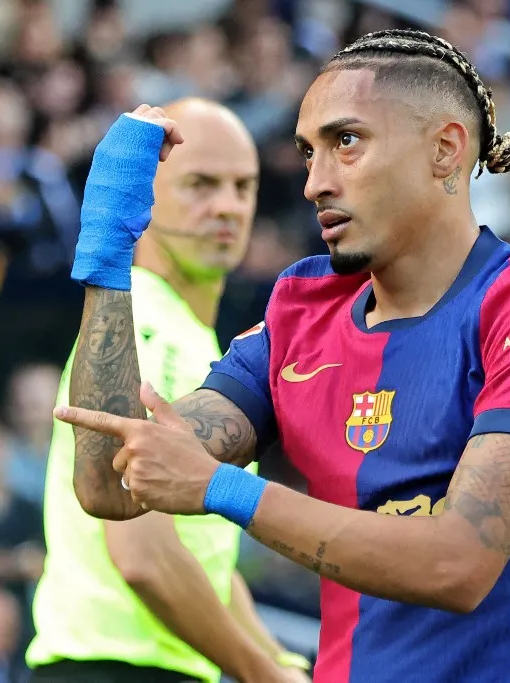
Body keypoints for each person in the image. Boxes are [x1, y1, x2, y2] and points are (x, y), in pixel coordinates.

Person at [56, 30, 510, 682]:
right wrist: (106, 257)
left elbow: (457, 564)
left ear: (444, 149)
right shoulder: (300, 311)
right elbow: (114, 484)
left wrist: (221, 487)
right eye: (307, 153)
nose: (315, 183)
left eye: (346, 142)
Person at [25, 98, 311, 683]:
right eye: (201, 185)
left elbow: (200, 558)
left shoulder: (185, 333)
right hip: (116, 668)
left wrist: (276, 659)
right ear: (144, 201)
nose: (228, 206)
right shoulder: (148, 332)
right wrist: (263, 672)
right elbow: (144, 556)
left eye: (242, 186)